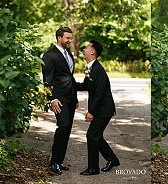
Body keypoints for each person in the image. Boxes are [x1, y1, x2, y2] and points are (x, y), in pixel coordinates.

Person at [74, 40, 119, 176]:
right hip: (100, 109)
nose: (83, 50)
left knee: (92, 136)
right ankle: (112, 159)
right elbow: (85, 86)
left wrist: (91, 112)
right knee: (96, 136)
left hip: (104, 109)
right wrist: (68, 83)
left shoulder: (98, 70)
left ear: (92, 52)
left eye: (86, 48)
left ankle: (93, 168)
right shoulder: (90, 67)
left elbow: (99, 94)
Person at [42, 27, 77, 175]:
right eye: (67, 38)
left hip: (70, 98)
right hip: (59, 99)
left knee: (67, 129)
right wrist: (52, 99)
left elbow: (70, 77)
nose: (69, 40)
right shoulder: (49, 55)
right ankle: (54, 162)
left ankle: (60, 161)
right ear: (59, 38)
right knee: (63, 126)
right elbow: (47, 80)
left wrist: (74, 98)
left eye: (71, 38)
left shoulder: (69, 54)